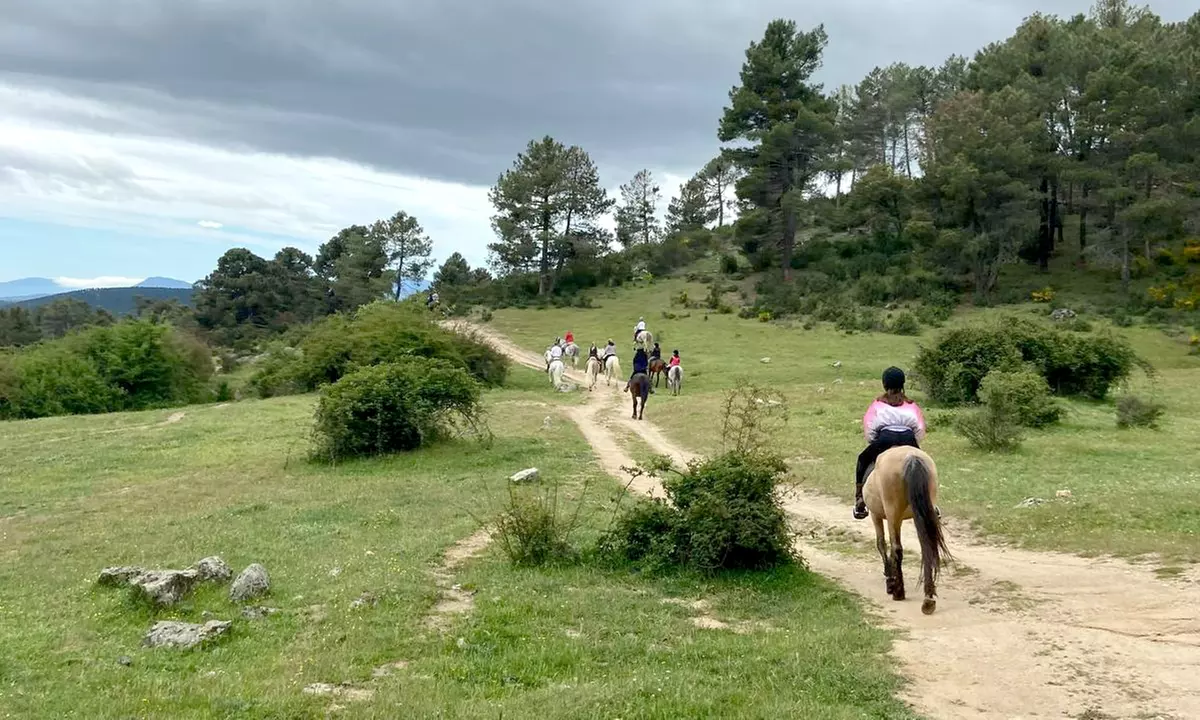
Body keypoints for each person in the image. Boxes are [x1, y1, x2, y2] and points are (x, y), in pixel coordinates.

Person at [854, 366, 926, 520]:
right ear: (902, 384)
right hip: (908, 438)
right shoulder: (912, 405)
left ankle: (859, 499)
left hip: (885, 438)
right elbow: (920, 428)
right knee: (923, 465)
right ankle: (930, 502)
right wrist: (913, 442)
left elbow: (870, 428)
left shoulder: (877, 405)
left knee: (863, 459)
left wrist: (875, 442)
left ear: (884, 384)